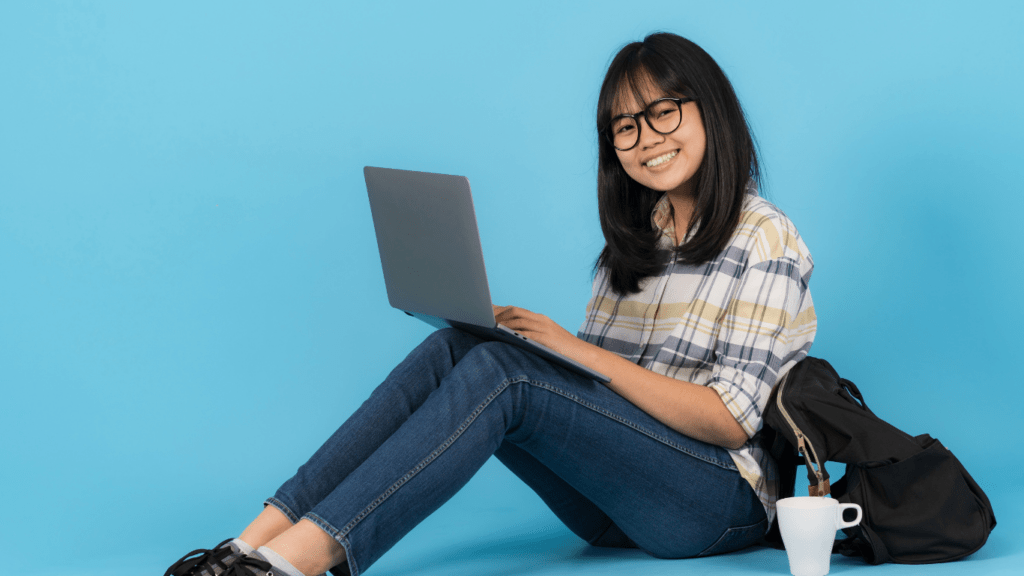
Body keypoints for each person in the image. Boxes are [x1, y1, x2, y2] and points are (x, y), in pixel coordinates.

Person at [165, 31, 816, 576]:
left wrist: (570, 351)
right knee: (460, 346)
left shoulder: (764, 235)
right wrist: (535, 347)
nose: (646, 138)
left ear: (712, 111)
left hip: (714, 504)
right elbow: (596, 408)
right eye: (625, 125)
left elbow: (731, 421)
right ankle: (245, 546)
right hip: (617, 504)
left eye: (664, 112)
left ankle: (291, 566)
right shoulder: (634, 243)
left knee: (504, 376)